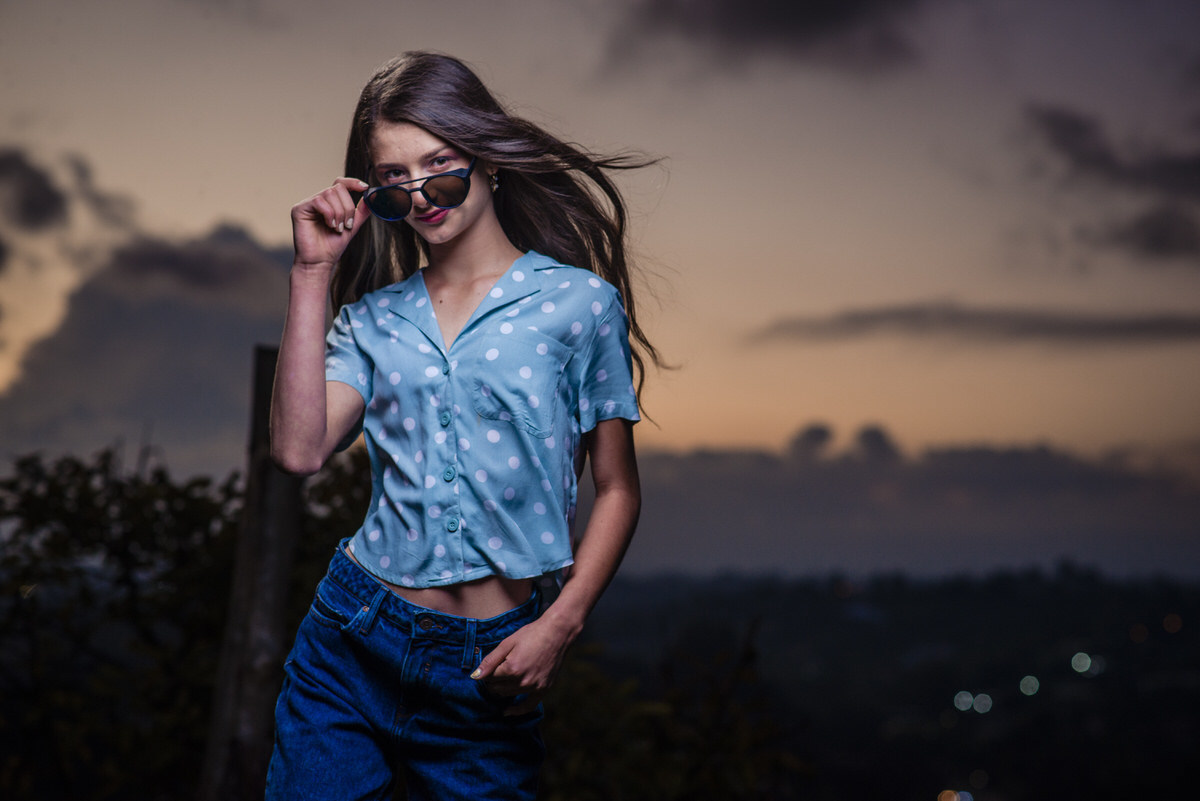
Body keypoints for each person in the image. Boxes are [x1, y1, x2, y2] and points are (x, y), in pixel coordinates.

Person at [265, 51, 661, 801]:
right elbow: (297, 449)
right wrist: (311, 274)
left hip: (488, 670)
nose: (422, 195)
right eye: (394, 180)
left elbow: (617, 489)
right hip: (350, 641)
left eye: (441, 165)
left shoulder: (579, 306)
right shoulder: (372, 319)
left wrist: (560, 624)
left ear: (488, 158)